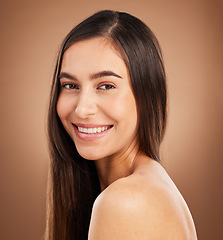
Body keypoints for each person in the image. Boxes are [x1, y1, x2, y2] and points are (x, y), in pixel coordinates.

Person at [45, 10, 197, 240]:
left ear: (147, 95)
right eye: (70, 85)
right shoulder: (145, 186)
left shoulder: (125, 201)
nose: (82, 109)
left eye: (106, 86)